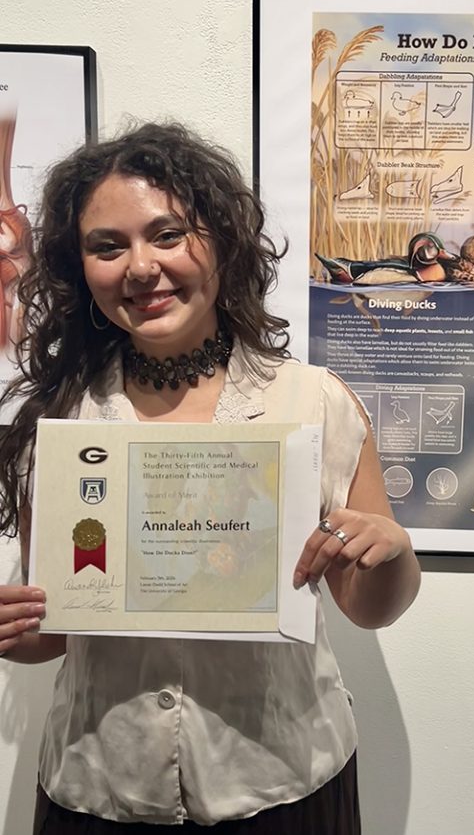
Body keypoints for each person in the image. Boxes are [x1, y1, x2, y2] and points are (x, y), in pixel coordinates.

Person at [0, 122, 420, 833]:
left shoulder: (313, 401)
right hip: (103, 783)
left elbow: (369, 605)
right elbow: (61, 626)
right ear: (81, 268)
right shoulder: (65, 419)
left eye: (167, 235)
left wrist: (391, 547)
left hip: (280, 778)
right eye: (108, 245)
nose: (139, 267)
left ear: (221, 243)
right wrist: (17, 626)